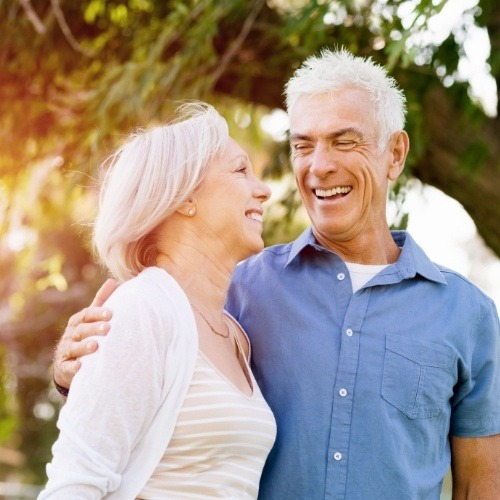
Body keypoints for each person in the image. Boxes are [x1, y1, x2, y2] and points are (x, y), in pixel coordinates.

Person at [53, 49, 500, 499]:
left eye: (344, 142)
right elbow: (133, 379)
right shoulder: (236, 288)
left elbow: (482, 485)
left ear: (395, 154)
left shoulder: (468, 315)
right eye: (303, 145)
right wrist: (78, 363)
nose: (319, 166)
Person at [39, 102, 276, 499]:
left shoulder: (235, 333)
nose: (264, 189)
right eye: (240, 170)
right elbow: (74, 483)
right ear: (185, 197)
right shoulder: (142, 309)